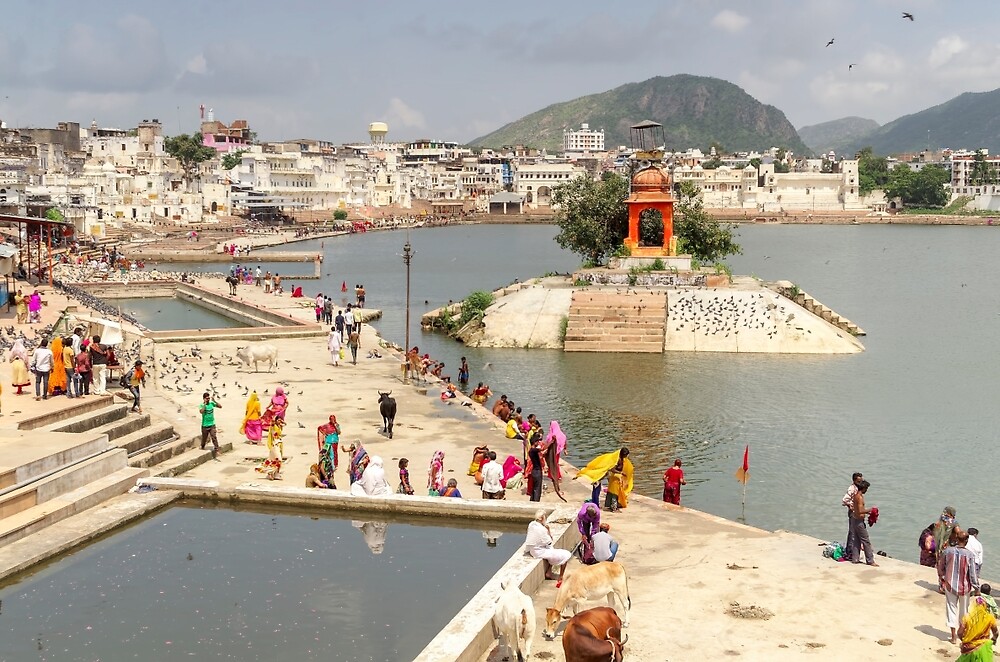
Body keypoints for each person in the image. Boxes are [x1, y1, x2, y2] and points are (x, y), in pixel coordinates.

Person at [939, 529, 981, 645]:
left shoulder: (948, 551)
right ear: (966, 540)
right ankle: (962, 634)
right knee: (964, 611)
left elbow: (940, 566)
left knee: (951, 609)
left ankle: (953, 637)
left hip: (950, 585)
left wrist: (943, 578)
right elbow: (972, 574)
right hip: (965, 587)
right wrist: (977, 588)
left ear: (957, 539)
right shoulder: (970, 555)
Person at [525, 510, 571, 585]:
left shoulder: (532, 524)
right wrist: (548, 530)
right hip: (539, 551)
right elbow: (549, 541)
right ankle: (561, 576)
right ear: (541, 518)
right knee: (565, 555)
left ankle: (549, 572)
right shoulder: (542, 529)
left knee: (551, 549)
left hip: (533, 550)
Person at [958, 594, 999, 661]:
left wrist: (965, 641)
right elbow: (996, 633)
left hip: (969, 648)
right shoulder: (990, 618)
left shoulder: (967, 617)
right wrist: (994, 639)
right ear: (985, 606)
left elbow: (960, 633)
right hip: (984, 647)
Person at [849, 480, 877, 566]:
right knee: (866, 541)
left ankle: (855, 558)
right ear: (863, 488)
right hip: (859, 522)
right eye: (866, 488)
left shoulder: (855, 495)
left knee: (856, 540)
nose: (867, 490)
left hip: (854, 519)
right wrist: (871, 510)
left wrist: (867, 513)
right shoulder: (860, 497)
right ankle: (870, 560)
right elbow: (861, 510)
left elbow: (857, 510)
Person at [842, 472, 864, 561]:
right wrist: (850, 506)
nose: (860, 483)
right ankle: (849, 552)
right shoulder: (851, 489)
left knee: (856, 532)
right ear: (854, 480)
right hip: (853, 513)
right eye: (859, 481)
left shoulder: (858, 489)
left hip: (857, 513)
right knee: (852, 532)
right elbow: (844, 500)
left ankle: (853, 551)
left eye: (861, 481)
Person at [317, 415, 340, 488]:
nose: (333, 420)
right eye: (331, 419)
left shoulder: (337, 425)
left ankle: (334, 466)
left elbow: (339, 432)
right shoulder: (326, 426)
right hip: (328, 442)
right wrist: (324, 435)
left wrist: (335, 426)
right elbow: (320, 428)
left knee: (334, 454)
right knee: (328, 456)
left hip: (335, 442)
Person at [199, 391, 222, 460]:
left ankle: (217, 449)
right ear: (204, 399)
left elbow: (220, 406)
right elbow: (201, 412)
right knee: (204, 438)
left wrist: (214, 401)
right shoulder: (201, 405)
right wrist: (205, 405)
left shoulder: (212, 404)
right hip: (205, 425)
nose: (208, 399)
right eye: (206, 398)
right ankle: (202, 446)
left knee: (214, 437)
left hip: (212, 424)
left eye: (208, 398)